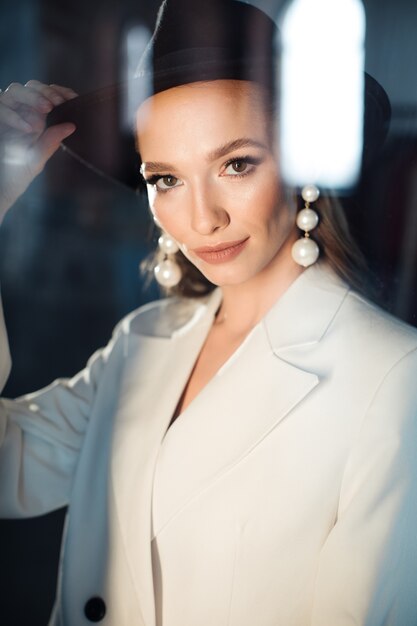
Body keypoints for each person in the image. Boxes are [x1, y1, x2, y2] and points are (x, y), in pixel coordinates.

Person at [1, 1, 417, 625]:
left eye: (237, 164)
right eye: (165, 178)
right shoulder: (143, 340)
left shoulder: (393, 378)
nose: (202, 219)